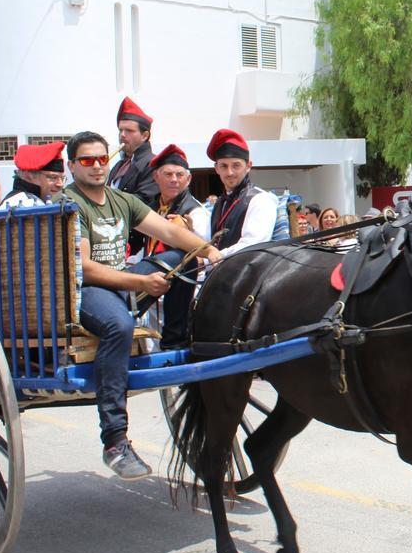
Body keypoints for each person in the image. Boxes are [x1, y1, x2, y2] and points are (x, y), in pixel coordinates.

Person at [64, 131, 222, 479]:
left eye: (102, 159)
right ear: (72, 165)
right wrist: (140, 282)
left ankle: (175, 339)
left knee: (184, 258)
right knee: (118, 326)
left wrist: (208, 250)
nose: (96, 167)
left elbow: (169, 233)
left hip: (122, 283)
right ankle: (115, 440)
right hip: (85, 290)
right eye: (87, 160)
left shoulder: (121, 199)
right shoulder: (69, 204)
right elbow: (85, 269)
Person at [207, 129, 279, 257]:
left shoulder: (261, 199)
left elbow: (251, 245)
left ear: (248, 166)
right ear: (216, 168)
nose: (230, 172)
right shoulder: (220, 202)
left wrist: (208, 260)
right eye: (224, 166)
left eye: (236, 165)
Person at [144, 144, 211, 255]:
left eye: (179, 175)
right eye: (168, 174)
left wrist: (190, 233)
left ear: (188, 179)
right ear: (156, 177)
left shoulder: (196, 213)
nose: (174, 180)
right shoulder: (152, 207)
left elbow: (205, 254)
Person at [107, 97, 159, 202]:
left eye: (129, 131)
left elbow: (144, 200)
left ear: (144, 135)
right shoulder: (118, 166)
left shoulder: (153, 164)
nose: (122, 135)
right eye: (120, 130)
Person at [1, 141, 66, 206]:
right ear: (29, 175)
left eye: (63, 178)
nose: (60, 184)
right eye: (53, 177)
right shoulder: (23, 203)